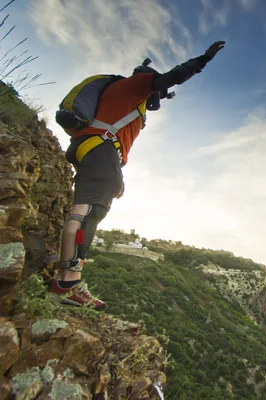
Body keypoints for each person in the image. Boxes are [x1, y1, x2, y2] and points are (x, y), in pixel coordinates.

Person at [50, 41, 226, 310]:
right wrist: (204, 59)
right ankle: (68, 284)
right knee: (87, 213)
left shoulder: (122, 97)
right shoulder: (136, 84)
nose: (157, 98)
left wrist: (116, 173)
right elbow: (174, 76)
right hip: (100, 148)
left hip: (95, 150)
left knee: (88, 212)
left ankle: (66, 279)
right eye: (157, 91)